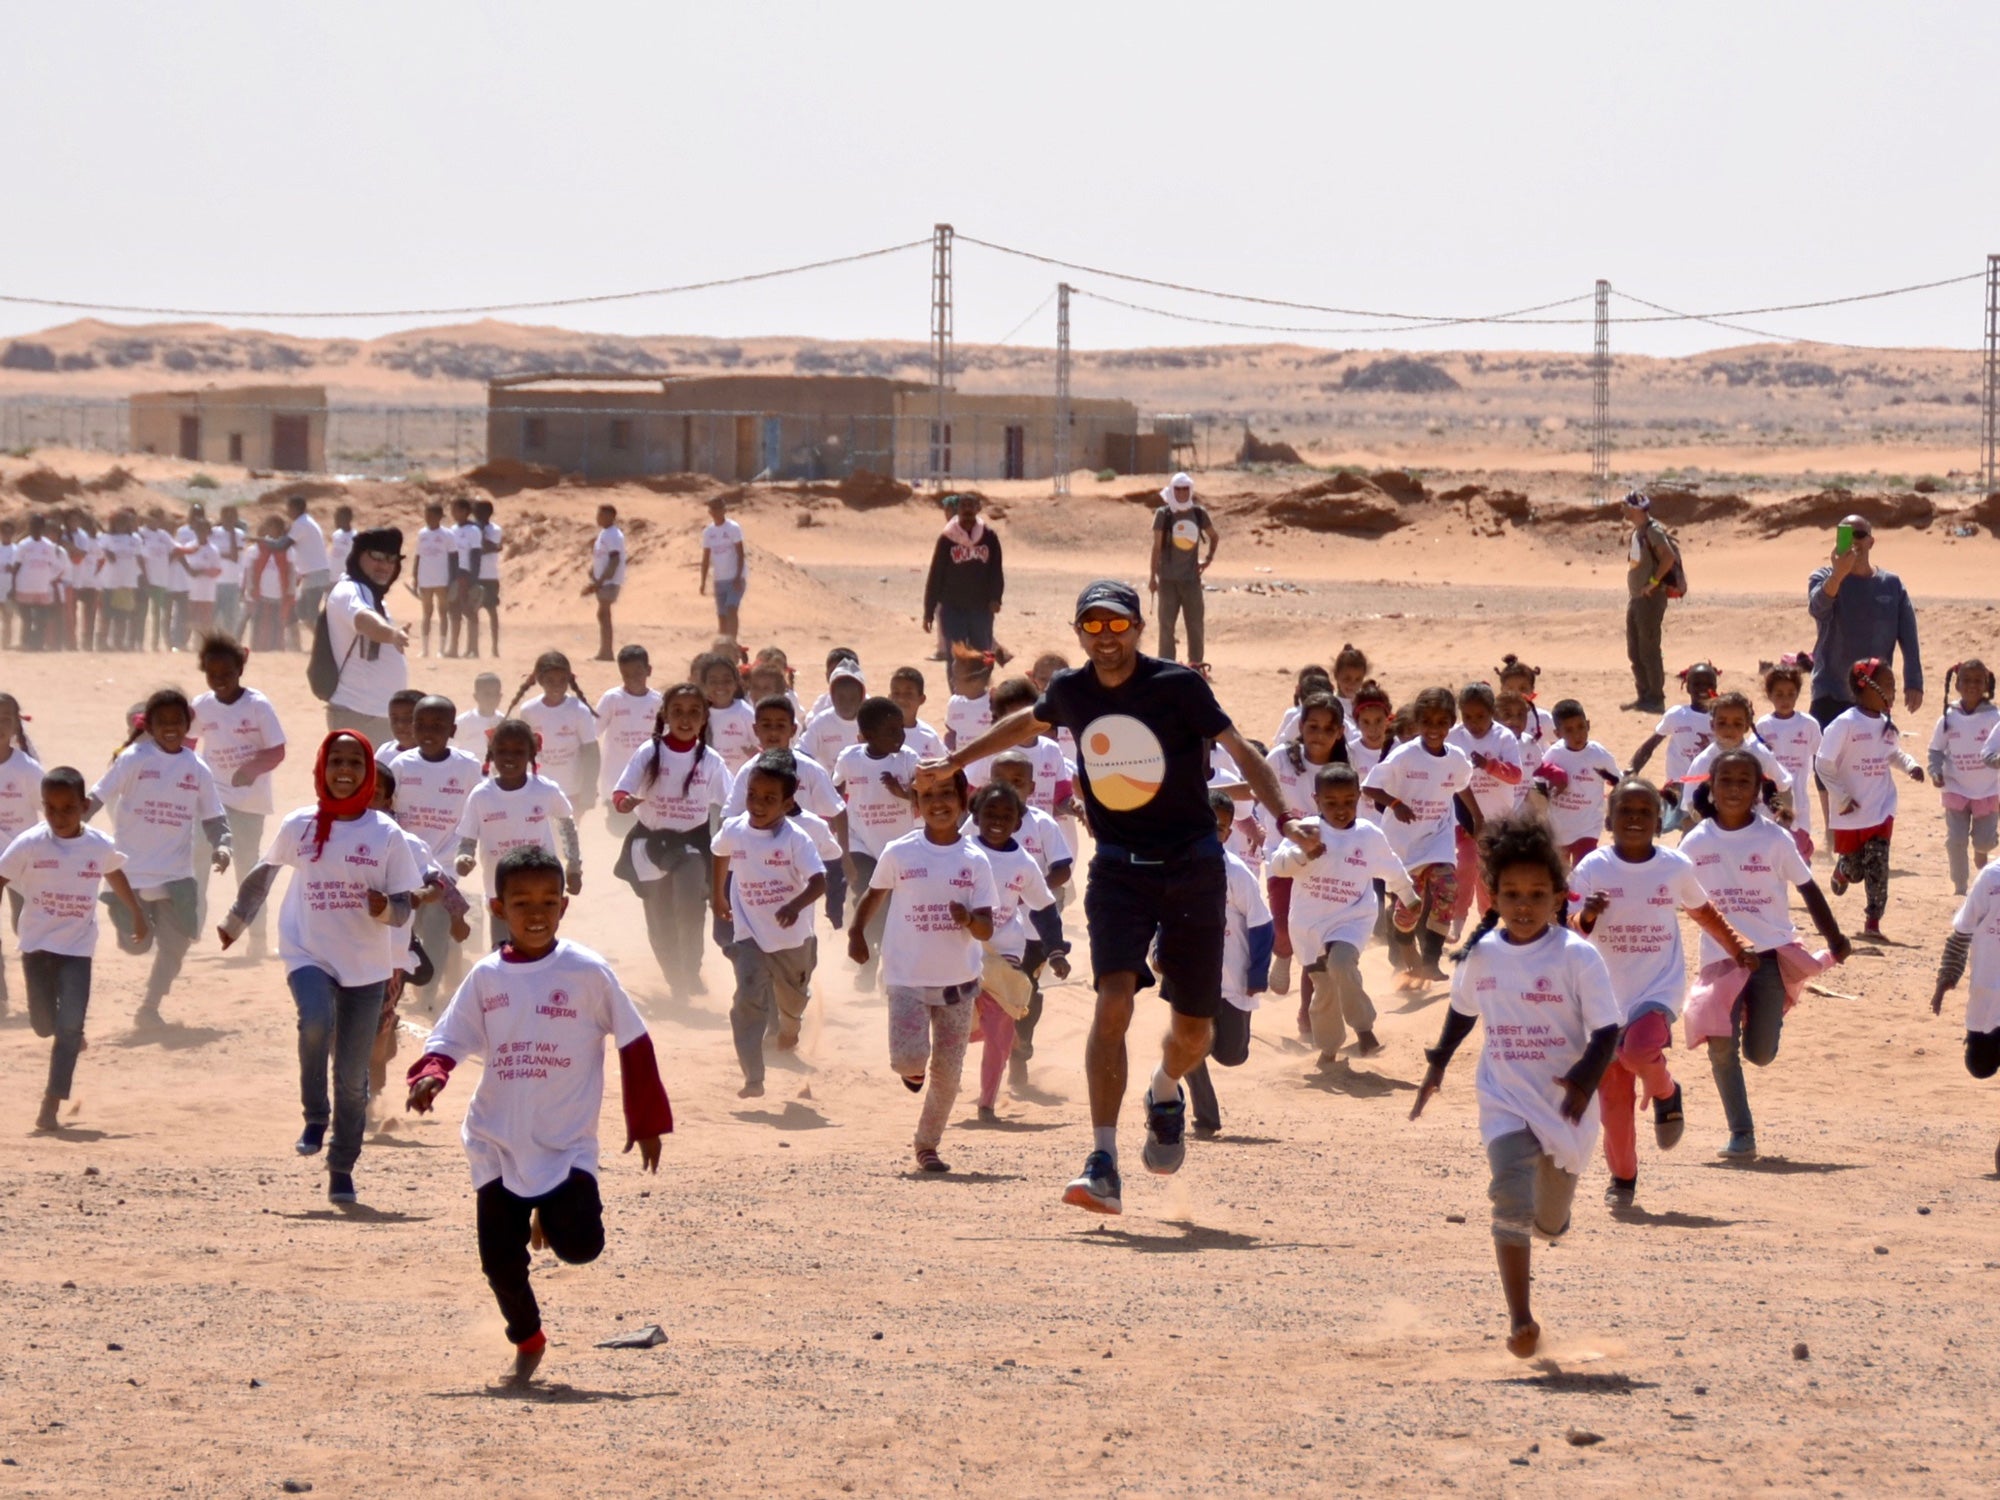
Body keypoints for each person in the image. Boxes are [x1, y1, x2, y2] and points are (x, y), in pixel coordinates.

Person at [917, 579, 1299, 1215]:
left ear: (1139, 629)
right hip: (1120, 869)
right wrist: (955, 762)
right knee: (1114, 998)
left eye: (1117, 626)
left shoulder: (1179, 687)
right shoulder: (1072, 689)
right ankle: (1102, 1160)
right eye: (1092, 627)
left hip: (1194, 866)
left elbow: (1243, 752)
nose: (1106, 638)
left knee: (1193, 1032)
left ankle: (1166, 1089)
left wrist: (1286, 817)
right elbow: (1026, 720)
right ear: (1078, 634)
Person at [406, 845, 673, 1386]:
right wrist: (431, 1073)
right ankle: (527, 1340)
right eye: (522, 902)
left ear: (563, 908)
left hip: (565, 1139)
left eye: (548, 902)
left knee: (582, 1247)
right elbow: (451, 1035)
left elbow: (635, 1039)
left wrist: (645, 1120)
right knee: (499, 1263)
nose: (536, 913)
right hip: (497, 1140)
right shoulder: (486, 977)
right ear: (499, 908)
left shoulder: (586, 971)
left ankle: (548, 1214)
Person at [1410, 814, 1622, 1360]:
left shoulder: (1577, 956)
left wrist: (1581, 1081)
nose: (1524, 905)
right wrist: (1437, 1063)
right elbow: (1461, 1013)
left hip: (1564, 1106)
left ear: (1559, 897)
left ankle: (1553, 1218)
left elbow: (1606, 1031)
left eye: (1536, 894)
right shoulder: (1481, 954)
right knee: (1508, 1193)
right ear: (1493, 895)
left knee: (1548, 1221)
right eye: (1511, 893)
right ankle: (1521, 1320)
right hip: (1503, 1098)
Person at [220, 730, 419, 1203]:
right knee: (314, 1020)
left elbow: (404, 905)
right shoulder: (300, 824)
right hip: (307, 950)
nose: (344, 770)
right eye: (336, 761)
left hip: (367, 966)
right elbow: (264, 875)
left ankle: (341, 1166)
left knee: (353, 1081)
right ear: (322, 768)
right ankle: (314, 1117)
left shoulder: (386, 834)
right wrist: (234, 922)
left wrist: (383, 911)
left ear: (368, 772)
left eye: (354, 761)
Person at [1570, 779, 1752, 1207]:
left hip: (1657, 987)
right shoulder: (1592, 867)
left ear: (1658, 820)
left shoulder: (1674, 866)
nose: (1634, 819)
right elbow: (1568, 926)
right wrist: (1588, 914)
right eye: (1625, 811)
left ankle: (1667, 1091)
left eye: (1644, 812)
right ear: (1609, 820)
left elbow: (1703, 912)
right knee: (1614, 1100)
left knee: (1639, 1051)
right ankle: (1623, 1180)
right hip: (1603, 996)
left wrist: (1737, 946)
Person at [1681, 749, 1851, 1160]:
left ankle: (1757, 1018)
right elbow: (1670, 891)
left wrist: (1835, 938)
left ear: (1759, 790)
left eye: (1744, 782)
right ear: (1711, 788)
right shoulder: (1695, 841)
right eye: (1726, 781)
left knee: (1760, 1053)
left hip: (1770, 956)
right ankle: (1742, 1132)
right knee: (1720, 1043)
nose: (1735, 789)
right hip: (1720, 958)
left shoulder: (1775, 838)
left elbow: (1808, 889)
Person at [848, 769, 996, 1174]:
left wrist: (968, 919)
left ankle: (927, 1145)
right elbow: (873, 895)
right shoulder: (900, 852)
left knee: (947, 1076)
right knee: (909, 1059)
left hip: (958, 985)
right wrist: (856, 933)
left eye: (947, 793)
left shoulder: (975, 860)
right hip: (906, 978)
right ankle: (911, 1070)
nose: (938, 802)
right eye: (927, 795)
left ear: (963, 801)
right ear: (915, 805)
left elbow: (986, 926)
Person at [1, 766, 147, 1133]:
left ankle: (50, 1105)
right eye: (50, 809)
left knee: (67, 1028)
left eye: (67, 808)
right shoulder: (31, 842)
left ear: (83, 806)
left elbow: (113, 872)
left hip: (77, 949)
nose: (58, 816)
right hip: (36, 946)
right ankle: (69, 1032)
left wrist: (136, 912)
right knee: (43, 1025)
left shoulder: (98, 844)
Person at [88, 688, 231, 1026]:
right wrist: (74, 826)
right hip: (131, 874)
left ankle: (149, 1007)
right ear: (149, 726)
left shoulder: (196, 767)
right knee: (137, 945)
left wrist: (223, 844)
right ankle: (128, 921)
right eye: (162, 722)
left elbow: (213, 815)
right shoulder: (134, 758)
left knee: (177, 943)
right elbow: (97, 794)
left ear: (187, 725)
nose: (171, 728)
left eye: (177, 721)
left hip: (176, 876)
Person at [1270, 764, 1417, 1069]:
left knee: (1341, 963)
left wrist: (1409, 896)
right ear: (1317, 800)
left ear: (1358, 798)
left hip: (1352, 918)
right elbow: (1279, 866)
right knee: (1324, 988)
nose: (1341, 810)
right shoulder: (1306, 829)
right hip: (1308, 926)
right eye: (1331, 803)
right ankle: (1329, 1048)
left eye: (1348, 801)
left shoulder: (1368, 835)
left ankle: (1364, 1029)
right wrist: (1303, 853)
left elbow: (1390, 866)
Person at [712, 749, 826, 1099]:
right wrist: (718, 895)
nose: (758, 805)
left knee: (792, 1002)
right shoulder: (735, 829)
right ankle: (753, 1076)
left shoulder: (795, 839)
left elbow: (819, 880)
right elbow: (719, 853)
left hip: (793, 940)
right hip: (750, 936)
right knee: (747, 999)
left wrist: (794, 905)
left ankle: (790, 1030)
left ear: (788, 803)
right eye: (752, 795)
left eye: (769, 799)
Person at [610, 684, 728, 998]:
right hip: (650, 845)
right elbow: (621, 790)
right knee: (659, 916)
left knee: (690, 908)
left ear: (704, 718)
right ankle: (675, 978)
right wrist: (624, 803)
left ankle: (690, 970)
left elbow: (729, 806)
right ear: (665, 715)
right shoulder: (649, 751)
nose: (685, 719)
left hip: (692, 845)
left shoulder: (711, 760)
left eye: (694, 712)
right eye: (677, 711)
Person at [1362, 687, 1480, 983]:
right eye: (1427, 722)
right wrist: (1396, 804)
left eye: (1441, 723)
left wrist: (1477, 816)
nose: (1434, 729)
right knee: (1410, 906)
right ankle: (1402, 940)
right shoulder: (1405, 755)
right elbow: (1370, 787)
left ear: (1451, 723)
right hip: (1403, 843)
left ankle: (1430, 959)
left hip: (1438, 838)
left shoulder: (1456, 758)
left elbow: (1461, 783)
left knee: (1447, 889)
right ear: (1418, 722)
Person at [964, 781, 1062, 1123]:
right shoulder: (960, 851)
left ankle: (987, 1103)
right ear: (974, 816)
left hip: (1004, 957)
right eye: (990, 812)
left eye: (1007, 815)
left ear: (1018, 824)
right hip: (958, 953)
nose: (998, 820)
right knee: (954, 1027)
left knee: (998, 1035)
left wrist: (1056, 950)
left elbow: (1044, 907)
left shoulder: (1023, 863)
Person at [191, 632, 288, 960]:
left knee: (247, 868)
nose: (220, 681)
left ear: (240, 670)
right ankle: (190, 934)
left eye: (227, 674)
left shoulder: (257, 705)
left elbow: (276, 751)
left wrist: (250, 769)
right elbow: (187, 747)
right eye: (212, 674)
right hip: (210, 803)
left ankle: (257, 938)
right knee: (198, 862)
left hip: (249, 804)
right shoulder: (201, 706)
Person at [1183, 792, 1271, 1137]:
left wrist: (1258, 972)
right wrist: (1160, 950)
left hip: (1234, 980)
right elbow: (1164, 915)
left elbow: (1261, 923)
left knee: (1232, 1055)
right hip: (1192, 976)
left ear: (1228, 832)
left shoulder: (1235, 873)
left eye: (1218, 827)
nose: (1210, 832)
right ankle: (1206, 1116)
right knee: (1189, 1045)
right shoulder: (1177, 867)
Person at [1818, 658, 1924, 939]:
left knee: (1878, 865)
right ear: (1865, 687)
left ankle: (1873, 922)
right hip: (1851, 812)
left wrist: (1911, 765)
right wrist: (1841, 796)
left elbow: (1892, 754)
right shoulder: (1844, 725)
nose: (1893, 691)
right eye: (1888, 685)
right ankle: (1843, 869)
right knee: (1856, 869)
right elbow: (1823, 763)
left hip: (1881, 809)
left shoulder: (1886, 725)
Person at [454, 719, 583, 948]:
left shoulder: (545, 790)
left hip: (541, 890)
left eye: (518, 751)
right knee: (502, 951)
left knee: (539, 944)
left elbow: (566, 826)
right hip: (498, 891)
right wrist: (464, 857)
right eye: (502, 751)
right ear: (491, 754)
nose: (509, 757)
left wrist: (573, 866)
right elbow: (468, 839)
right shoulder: (481, 796)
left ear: (531, 754)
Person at [388, 695, 483, 1003]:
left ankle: (427, 994)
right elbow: (387, 808)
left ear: (452, 730)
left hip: (446, 864)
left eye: (438, 726)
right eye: (422, 725)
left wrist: (469, 848)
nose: (429, 731)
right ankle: (411, 981)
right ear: (413, 728)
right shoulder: (401, 765)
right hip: (406, 862)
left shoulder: (468, 767)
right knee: (408, 925)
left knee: (437, 926)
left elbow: (481, 806)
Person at [833, 696, 919, 993]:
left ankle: (883, 961)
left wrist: (902, 792)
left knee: (893, 907)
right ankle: (868, 962)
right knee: (869, 897)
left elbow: (925, 800)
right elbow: (835, 798)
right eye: (891, 731)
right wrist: (842, 851)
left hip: (900, 849)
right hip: (861, 846)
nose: (900, 736)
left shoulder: (908, 759)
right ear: (867, 736)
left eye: (901, 728)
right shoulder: (850, 758)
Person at [1807, 514, 1923, 724]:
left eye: (1859, 535)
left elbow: (1908, 636)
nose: (1853, 541)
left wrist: (1914, 681)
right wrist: (1838, 574)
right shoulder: (1823, 577)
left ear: (1871, 541)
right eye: (1845, 535)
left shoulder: (1891, 584)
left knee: (1873, 757)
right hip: (1830, 691)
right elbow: (1818, 609)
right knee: (1825, 755)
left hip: (1874, 693)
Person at [321, 527, 410, 744]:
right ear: (358, 556)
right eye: (377, 557)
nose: (385, 566)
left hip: (374, 715)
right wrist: (391, 634)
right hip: (359, 715)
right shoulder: (351, 590)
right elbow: (363, 620)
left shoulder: (371, 594)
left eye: (391, 559)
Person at [1930, 659, 2000, 897]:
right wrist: (1935, 770)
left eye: (1978, 681)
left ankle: (1982, 850)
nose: (1972, 685)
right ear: (1957, 684)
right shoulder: (1949, 716)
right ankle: (1960, 885)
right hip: (1956, 789)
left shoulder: (1994, 717)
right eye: (1967, 680)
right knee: (1955, 840)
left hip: (1988, 791)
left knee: (1984, 841)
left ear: (1986, 684)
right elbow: (1936, 749)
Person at [1530, 699, 1623, 867]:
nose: (1577, 734)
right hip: (1559, 828)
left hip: (1588, 827)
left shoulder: (1599, 755)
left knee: (1584, 871)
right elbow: (1539, 780)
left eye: (1580, 727)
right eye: (1569, 730)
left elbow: (1618, 783)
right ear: (1558, 733)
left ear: (1588, 725)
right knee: (1561, 875)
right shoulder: (1554, 754)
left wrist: (1612, 813)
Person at [508, 651, 601, 814]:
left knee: (567, 836)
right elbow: (522, 749)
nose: (557, 686)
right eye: (550, 681)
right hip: (537, 788)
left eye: (562, 680)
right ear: (540, 680)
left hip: (571, 790)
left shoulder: (578, 710)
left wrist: (589, 789)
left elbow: (591, 752)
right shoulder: (529, 711)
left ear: (569, 679)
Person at [1148, 472, 1218, 668]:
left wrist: (1208, 559)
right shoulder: (1164, 514)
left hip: (1191, 580)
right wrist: (1152, 577)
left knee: (1195, 625)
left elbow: (1214, 536)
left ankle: (1196, 665)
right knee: (1166, 627)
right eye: (1177, 489)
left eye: (1185, 489)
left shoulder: (1198, 513)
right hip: (1168, 580)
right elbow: (1156, 547)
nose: (1181, 493)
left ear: (1190, 490)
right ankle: (1166, 666)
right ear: (1171, 490)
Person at [1757, 656, 1822, 862]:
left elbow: (1821, 757)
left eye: (1790, 694)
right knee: (1772, 851)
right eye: (1779, 694)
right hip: (1770, 801)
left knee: (1799, 850)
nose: (1785, 700)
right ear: (1769, 695)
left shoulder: (1809, 725)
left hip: (1799, 799)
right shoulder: (1763, 726)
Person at [922, 493, 1004, 655]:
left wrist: (996, 598)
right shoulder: (947, 539)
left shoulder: (989, 537)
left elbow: (996, 571)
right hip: (953, 608)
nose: (967, 509)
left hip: (981, 608)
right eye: (963, 506)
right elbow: (936, 575)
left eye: (970, 505)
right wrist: (928, 611)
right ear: (957, 510)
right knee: (956, 659)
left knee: (982, 656)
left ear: (977, 509)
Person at [1621, 492, 1679, 714]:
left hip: (1650, 599)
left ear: (1636, 509)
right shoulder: (1638, 532)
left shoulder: (1653, 530)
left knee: (1649, 650)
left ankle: (1656, 697)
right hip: (1636, 598)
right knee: (1634, 650)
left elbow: (1668, 557)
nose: (1623, 510)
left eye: (1626, 506)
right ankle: (1643, 695)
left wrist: (1653, 583)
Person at [596, 647, 663, 832]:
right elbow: (593, 731)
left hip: (647, 781)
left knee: (645, 829)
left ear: (648, 670)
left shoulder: (658, 702)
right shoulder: (612, 699)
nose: (632, 678)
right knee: (617, 830)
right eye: (626, 674)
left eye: (638, 672)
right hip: (615, 780)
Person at [286, 496, 334, 649]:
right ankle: (322, 641)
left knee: (311, 612)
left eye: (289, 508)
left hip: (316, 574)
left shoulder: (301, 524)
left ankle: (327, 643)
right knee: (302, 611)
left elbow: (284, 544)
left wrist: (267, 542)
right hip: (312, 574)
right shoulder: (306, 522)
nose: (288, 511)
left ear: (296, 508)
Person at [700, 493, 748, 644]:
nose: (716, 511)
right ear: (710, 512)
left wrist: (738, 576)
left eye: (719, 508)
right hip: (719, 579)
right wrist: (703, 581)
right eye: (713, 508)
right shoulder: (708, 532)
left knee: (731, 608)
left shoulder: (733, 528)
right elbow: (706, 558)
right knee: (721, 615)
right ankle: (723, 644)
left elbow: (740, 553)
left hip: (734, 577)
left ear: (724, 510)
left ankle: (732, 642)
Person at [414, 502, 457, 658]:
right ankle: (425, 649)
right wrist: (415, 577)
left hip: (442, 579)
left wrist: (453, 579)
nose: (428, 518)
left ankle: (441, 649)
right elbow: (418, 556)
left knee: (443, 613)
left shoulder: (447, 534)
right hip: (425, 579)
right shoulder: (422, 534)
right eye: (426, 515)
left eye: (431, 515)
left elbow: (454, 557)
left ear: (439, 517)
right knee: (426, 614)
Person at [583, 504, 625, 663]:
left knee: (604, 614)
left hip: (609, 581)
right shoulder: (605, 534)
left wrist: (600, 581)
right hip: (604, 580)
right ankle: (604, 650)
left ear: (610, 516)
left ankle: (606, 652)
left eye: (600, 515)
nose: (597, 517)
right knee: (603, 614)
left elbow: (614, 560)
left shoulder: (613, 535)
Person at [471, 498, 502, 657]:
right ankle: (474, 648)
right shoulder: (474, 529)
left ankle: (494, 648)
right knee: (473, 611)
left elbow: (486, 547)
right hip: (475, 575)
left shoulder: (495, 529)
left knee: (492, 610)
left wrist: (480, 533)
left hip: (489, 575)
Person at [455, 672, 505, 755]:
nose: (492, 699)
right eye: (487, 694)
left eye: (495, 694)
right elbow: (453, 748)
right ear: (476, 696)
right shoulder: (463, 722)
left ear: (500, 696)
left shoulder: (503, 722)